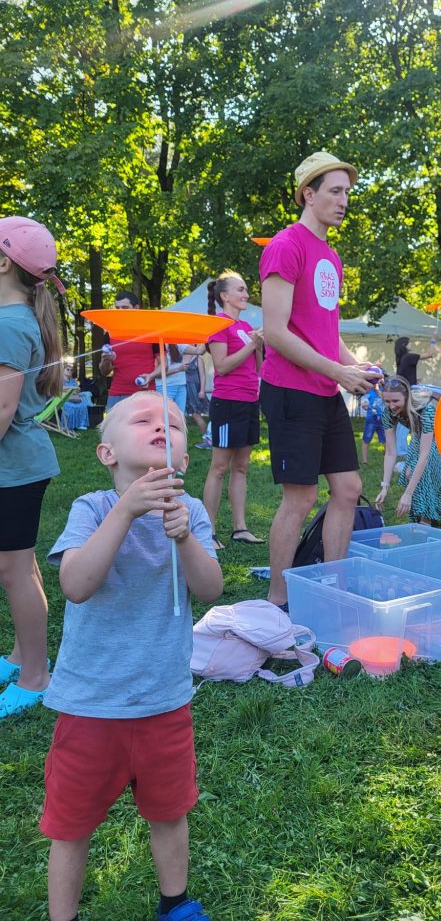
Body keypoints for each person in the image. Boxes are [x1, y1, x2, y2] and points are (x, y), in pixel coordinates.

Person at [41, 390, 222, 921]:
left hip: (164, 700)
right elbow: (76, 584)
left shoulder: (188, 511)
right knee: (71, 824)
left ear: (184, 461)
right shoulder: (92, 508)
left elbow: (209, 589)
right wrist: (125, 510)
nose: (162, 426)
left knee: (170, 812)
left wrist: (186, 538)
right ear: (107, 454)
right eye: (143, 420)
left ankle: (176, 903)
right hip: (91, 704)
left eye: (174, 424)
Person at [259, 151, 379, 607]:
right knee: (301, 497)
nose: (344, 200)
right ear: (307, 194)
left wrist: (356, 365)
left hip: (325, 387)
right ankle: (277, 600)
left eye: (347, 192)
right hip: (290, 390)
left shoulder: (331, 254)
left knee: (347, 489)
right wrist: (337, 371)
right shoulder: (286, 246)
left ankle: (336, 588)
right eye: (334, 190)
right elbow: (275, 332)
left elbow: (326, 332)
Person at [0, 216, 64, 719]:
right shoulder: (18, 319)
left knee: (13, 569)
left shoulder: (8, 324)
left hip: (14, 468)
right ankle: (24, 656)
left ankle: (36, 676)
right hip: (21, 465)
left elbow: (1, 409)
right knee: (18, 566)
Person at [202, 272, 263, 551]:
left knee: (242, 466)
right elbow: (223, 365)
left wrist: (258, 345)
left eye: (246, 289)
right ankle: (208, 531)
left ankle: (240, 528)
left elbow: (259, 368)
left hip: (250, 401)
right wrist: (252, 344)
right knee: (219, 468)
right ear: (225, 296)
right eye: (241, 289)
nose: (246, 294)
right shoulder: (218, 325)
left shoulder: (246, 326)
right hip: (228, 402)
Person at [375, 376, 441, 524]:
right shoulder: (388, 413)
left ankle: (425, 522)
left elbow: (424, 455)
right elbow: (390, 452)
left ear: (406, 397)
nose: (391, 406)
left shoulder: (426, 411)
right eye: (387, 401)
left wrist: (408, 494)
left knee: (421, 474)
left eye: (395, 401)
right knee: (410, 473)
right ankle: (425, 518)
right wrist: (385, 487)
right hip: (418, 437)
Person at [99, 291, 158, 409]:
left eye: (125, 307)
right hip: (118, 392)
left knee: (145, 427)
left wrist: (150, 376)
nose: (120, 311)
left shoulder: (151, 331)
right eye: (117, 308)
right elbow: (104, 371)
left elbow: (164, 365)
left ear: (136, 308)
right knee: (113, 427)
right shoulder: (110, 333)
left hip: (145, 392)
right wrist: (106, 361)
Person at [360, 377, 385, 465]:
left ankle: (387, 458)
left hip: (383, 419)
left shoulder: (384, 391)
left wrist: (379, 391)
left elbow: (386, 401)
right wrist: (364, 405)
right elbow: (364, 401)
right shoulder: (369, 392)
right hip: (371, 419)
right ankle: (364, 461)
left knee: (386, 440)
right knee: (366, 439)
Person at [61, 363, 90, 431]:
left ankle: (81, 424)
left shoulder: (73, 380)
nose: (70, 371)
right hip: (65, 399)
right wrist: (72, 389)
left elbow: (78, 390)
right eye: (67, 369)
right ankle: (68, 425)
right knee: (69, 406)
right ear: (63, 370)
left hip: (74, 398)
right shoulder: (60, 381)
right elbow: (60, 390)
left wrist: (69, 390)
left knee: (83, 405)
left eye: (71, 370)